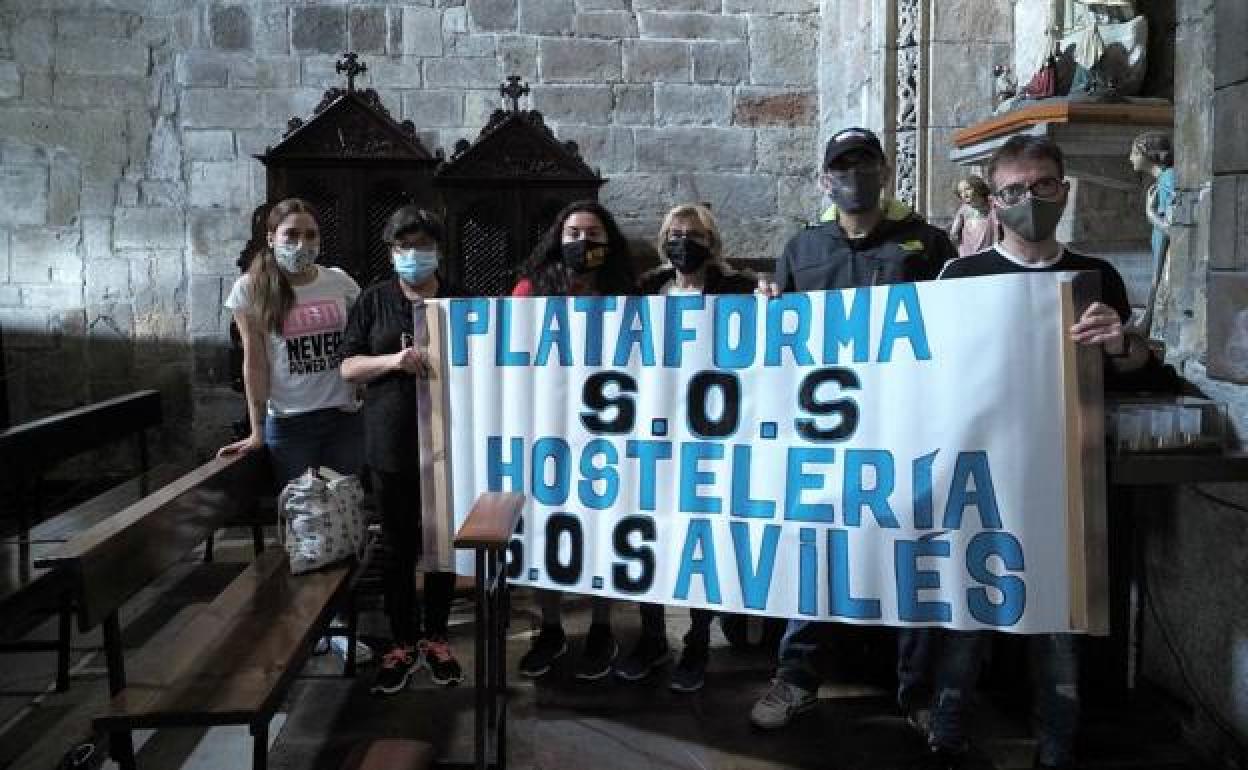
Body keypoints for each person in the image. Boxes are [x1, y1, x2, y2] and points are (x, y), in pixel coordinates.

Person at [752, 128, 976, 765]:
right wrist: (768, 308)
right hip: (826, 434)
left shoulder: (926, 242)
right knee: (813, 551)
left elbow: (958, 323)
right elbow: (780, 339)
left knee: (916, 554)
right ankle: (797, 676)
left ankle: (919, 692)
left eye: (866, 165)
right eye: (843, 167)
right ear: (826, 179)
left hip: (908, 428)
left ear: (883, 171)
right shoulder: (802, 247)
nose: (855, 177)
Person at [939, 135, 1155, 769]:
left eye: (1042, 186)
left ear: (1064, 190)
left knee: (1060, 617)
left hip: (1065, 474)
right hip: (978, 474)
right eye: (1013, 190)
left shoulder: (1096, 276)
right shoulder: (960, 276)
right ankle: (946, 728)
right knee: (965, 613)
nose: (1028, 199)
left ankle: (1057, 738)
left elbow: (1133, 365)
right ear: (994, 201)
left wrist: (1120, 343)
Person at [613, 203, 757, 693]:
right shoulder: (647, 290)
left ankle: (698, 637)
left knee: (703, 535)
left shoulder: (736, 290)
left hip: (712, 432)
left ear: (711, 241)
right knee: (649, 531)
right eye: (674, 233)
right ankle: (653, 635)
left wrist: (770, 295)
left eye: (693, 234)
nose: (683, 242)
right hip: (654, 430)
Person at [513, 200, 638, 680]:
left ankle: (602, 625)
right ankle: (550, 627)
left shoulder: (625, 293)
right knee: (548, 528)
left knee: (604, 526)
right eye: (573, 234)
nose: (583, 242)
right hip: (548, 429)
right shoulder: (531, 290)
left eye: (593, 234)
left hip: (608, 430)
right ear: (557, 238)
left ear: (609, 243)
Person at [341, 206, 464, 694]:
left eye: (423, 246)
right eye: (404, 246)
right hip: (390, 441)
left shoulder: (458, 299)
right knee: (397, 546)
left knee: (441, 544)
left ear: (438, 250)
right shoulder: (374, 300)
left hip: (448, 441)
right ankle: (401, 640)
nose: (414, 254)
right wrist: (394, 360)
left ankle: (437, 636)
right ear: (392, 252)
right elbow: (348, 367)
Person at [218, 197, 363, 485]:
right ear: (271, 238)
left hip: (343, 417)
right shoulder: (250, 288)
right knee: (300, 508)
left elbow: (360, 341)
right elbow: (255, 363)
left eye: (310, 235)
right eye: (291, 235)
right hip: (290, 422)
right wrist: (257, 430)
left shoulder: (339, 282)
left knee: (345, 505)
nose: (302, 244)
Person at [1129, 131, 1175, 334]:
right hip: (1163, 259)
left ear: (1147, 154)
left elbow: (1173, 229)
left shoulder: (1168, 178)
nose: (1130, 158)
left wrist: (1150, 213)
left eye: (1134, 152)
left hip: (1169, 262)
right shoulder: (1163, 180)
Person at [949, 175, 998, 257]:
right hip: (968, 253)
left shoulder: (993, 205)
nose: (964, 194)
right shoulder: (964, 210)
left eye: (967, 189)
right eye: (961, 192)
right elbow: (954, 233)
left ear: (978, 188)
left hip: (990, 251)